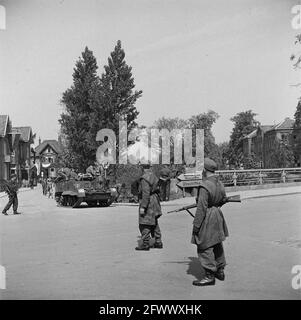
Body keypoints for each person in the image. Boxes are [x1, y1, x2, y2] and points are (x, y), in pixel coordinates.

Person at [191, 158, 229, 286]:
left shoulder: (204, 185)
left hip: (207, 216)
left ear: (204, 170)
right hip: (218, 215)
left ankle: (209, 275)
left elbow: (201, 208)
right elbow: (223, 199)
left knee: (204, 245)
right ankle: (220, 270)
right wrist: (215, 205)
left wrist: (196, 226)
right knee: (217, 243)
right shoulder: (220, 183)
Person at [136, 164, 163, 251]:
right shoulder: (154, 176)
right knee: (154, 222)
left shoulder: (144, 178)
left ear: (142, 168)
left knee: (144, 223)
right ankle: (158, 241)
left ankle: (145, 243)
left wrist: (143, 207)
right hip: (155, 201)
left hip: (149, 202)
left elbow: (145, 194)